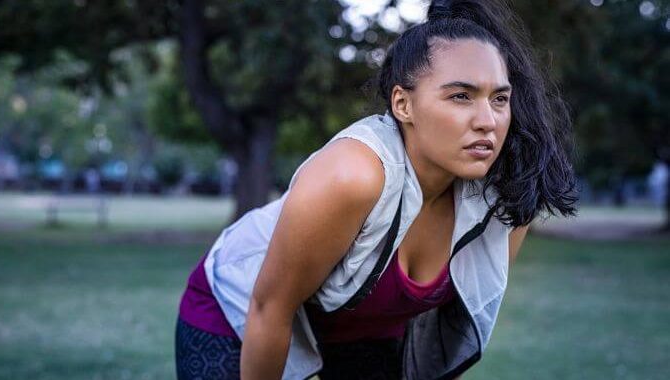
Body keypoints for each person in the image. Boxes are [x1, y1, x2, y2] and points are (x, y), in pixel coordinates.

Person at [175, 0, 578, 379]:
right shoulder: (353, 175)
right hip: (236, 318)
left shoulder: (506, 199)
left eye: (500, 99)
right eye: (460, 96)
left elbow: (442, 326)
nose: (488, 120)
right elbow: (269, 307)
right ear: (403, 105)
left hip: (358, 333)